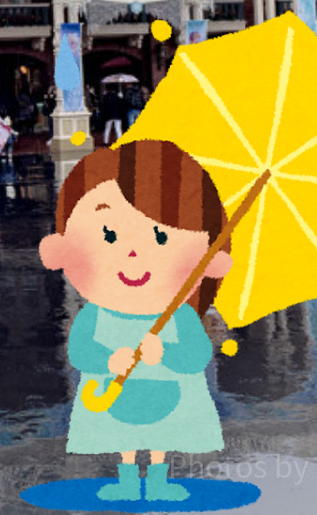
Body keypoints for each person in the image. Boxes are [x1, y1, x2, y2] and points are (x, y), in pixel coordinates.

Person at [39, 141, 232, 503]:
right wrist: (106, 360)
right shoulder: (97, 313)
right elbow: (81, 349)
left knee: (161, 435)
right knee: (123, 436)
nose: (133, 253)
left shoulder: (178, 313)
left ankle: (158, 480)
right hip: (115, 394)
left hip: (168, 391)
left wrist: (169, 354)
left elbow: (195, 354)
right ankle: (128, 481)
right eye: (108, 235)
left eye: (162, 236)